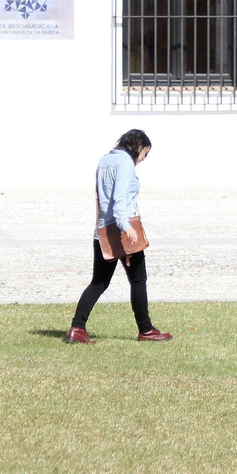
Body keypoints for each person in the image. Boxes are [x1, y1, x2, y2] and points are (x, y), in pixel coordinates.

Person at [67, 130, 172, 343]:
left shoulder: (106, 160)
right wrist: (126, 227)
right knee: (138, 280)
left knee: (99, 282)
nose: (144, 158)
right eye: (145, 152)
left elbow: (101, 197)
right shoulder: (125, 163)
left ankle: (77, 328)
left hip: (103, 230)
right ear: (138, 146)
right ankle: (146, 330)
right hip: (123, 230)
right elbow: (119, 198)